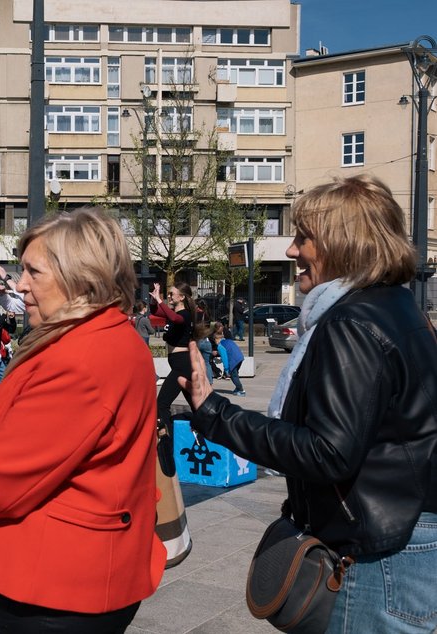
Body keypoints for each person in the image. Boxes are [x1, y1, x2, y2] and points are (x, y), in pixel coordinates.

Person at [180, 176, 437, 633]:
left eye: (303, 238)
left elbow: (328, 451)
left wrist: (216, 413)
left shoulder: (351, 323)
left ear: (341, 244)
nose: (292, 250)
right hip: (406, 537)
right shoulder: (397, 305)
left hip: (379, 557)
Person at [0, 208, 165, 632]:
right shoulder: (100, 338)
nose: (20, 284)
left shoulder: (79, 358)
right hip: (78, 578)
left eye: (33, 272)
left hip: (55, 591)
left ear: (80, 278)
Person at [150, 281, 197, 447]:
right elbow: (154, 311)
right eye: (168, 294)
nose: (169, 296)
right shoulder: (172, 313)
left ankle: (168, 442)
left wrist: (160, 300)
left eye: (172, 294)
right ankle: (207, 433)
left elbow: (175, 318)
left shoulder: (184, 314)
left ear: (182, 297)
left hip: (182, 365)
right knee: (196, 406)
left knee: (161, 404)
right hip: (179, 364)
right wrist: (155, 299)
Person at [215, 331, 245, 396]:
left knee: (234, 376)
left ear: (217, 339)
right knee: (235, 374)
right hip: (240, 357)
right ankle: (237, 388)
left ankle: (241, 390)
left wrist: (226, 369)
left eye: (215, 340)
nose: (215, 342)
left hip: (234, 360)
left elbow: (224, 358)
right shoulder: (229, 341)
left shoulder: (220, 346)